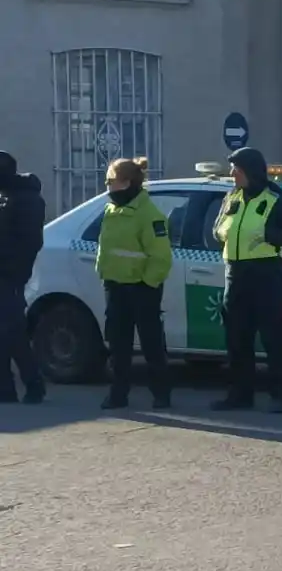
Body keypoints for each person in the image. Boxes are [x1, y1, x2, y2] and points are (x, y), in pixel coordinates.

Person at [211, 146, 282, 413]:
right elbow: (218, 228)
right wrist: (220, 232)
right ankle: (240, 395)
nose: (232, 174)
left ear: (251, 171)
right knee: (237, 339)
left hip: (265, 274)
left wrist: (267, 235)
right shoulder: (232, 197)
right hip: (235, 274)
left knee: (273, 337)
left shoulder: (278, 199)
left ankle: (280, 395)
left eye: (237, 170)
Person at [96, 157, 173, 410]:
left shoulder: (149, 215)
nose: (107, 187)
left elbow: (161, 257)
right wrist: (105, 273)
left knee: (151, 344)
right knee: (118, 346)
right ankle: (118, 395)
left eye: (111, 181)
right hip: (116, 286)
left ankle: (161, 394)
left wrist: (148, 284)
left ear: (127, 183)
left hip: (142, 288)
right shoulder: (112, 211)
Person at [0, 149, 47, 405]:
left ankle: (32, 384)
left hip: (10, 277)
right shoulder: (5, 196)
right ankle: (9, 388)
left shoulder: (26, 199)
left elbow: (30, 242)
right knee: (9, 333)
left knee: (11, 333)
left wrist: (13, 271)